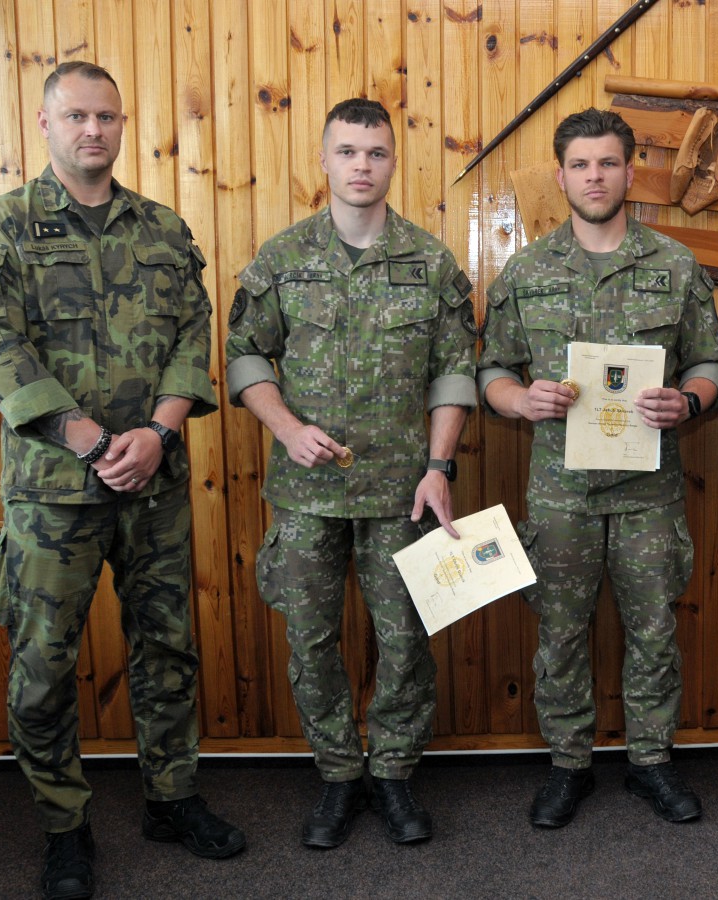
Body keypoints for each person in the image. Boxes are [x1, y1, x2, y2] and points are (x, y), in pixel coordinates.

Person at [0, 61, 243, 900]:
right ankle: (63, 826)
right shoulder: (2, 227)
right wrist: (91, 441)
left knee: (168, 648)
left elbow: (192, 334)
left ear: (121, 125)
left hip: (154, 481)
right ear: (45, 123)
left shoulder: (162, 229)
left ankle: (171, 798)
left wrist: (158, 433)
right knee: (43, 663)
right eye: (76, 115)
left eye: (107, 116)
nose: (93, 130)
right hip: (53, 494)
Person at [225, 98, 476, 848]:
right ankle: (338, 774)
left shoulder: (429, 261)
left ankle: (393, 774)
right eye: (347, 151)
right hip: (307, 495)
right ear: (324, 160)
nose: (361, 165)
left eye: (375, 152)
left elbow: (454, 371)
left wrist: (439, 466)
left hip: (403, 492)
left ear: (393, 160)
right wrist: (286, 428)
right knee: (311, 641)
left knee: (406, 640)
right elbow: (243, 355)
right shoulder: (283, 258)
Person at [478, 108, 718, 828]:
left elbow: (711, 361)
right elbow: (491, 368)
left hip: (650, 490)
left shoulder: (674, 264)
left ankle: (651, 761)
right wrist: (520, 399)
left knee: (654, 629)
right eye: (581, 165)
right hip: (561, 493)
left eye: (608, 163)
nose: (595, 177)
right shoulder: (527, 270)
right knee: (559, 632)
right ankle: (568, 764)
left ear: (628, 173)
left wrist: (688, 399)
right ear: (561, 177)